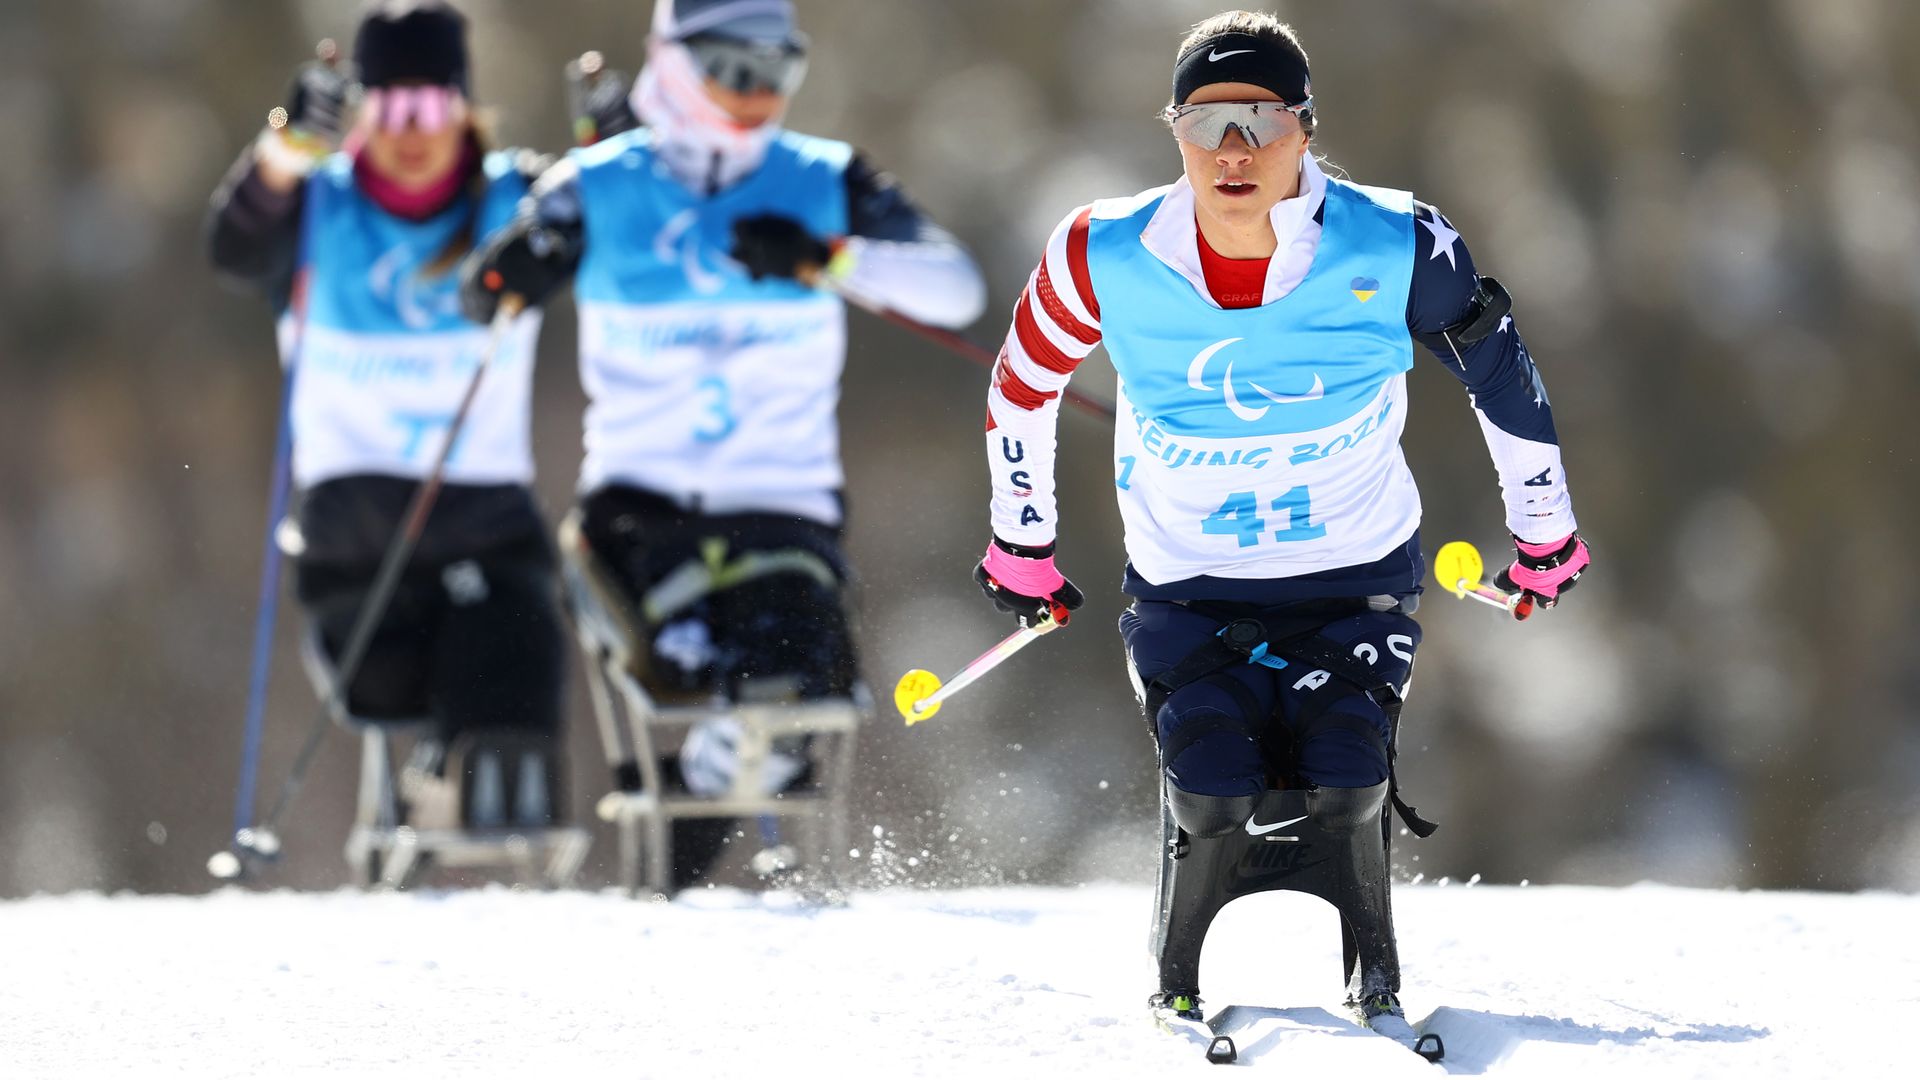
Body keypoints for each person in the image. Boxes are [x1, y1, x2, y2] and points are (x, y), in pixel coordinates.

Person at [971, 10, 1590, 1033]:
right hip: (1186, 590)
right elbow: (1022, 384)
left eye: (1260, 119)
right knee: (1212, 782)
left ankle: (1371, 959)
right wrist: (1020, 544)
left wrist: (1546, 534)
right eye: (1207, 122)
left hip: (1355, 584)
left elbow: (1501, 371)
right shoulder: (1102, 251)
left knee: (1347, 769)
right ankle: (1177, 959)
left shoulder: (1396, 240)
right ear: (1173, 131)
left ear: (1306, 126)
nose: (1234, 150)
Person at [461, 0, 986, 885]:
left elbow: (956, 289)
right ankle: (678, 846)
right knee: (683, 665)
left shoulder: (823, 178)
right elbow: (485, 293)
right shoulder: (598, 181)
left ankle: (688, 834)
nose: (755, 95)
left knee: (796, 684)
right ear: (669, 61)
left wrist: (833, 258)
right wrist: (517, 268)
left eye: (777, 72)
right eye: (731, 69)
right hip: (638, 509)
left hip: (781, 509)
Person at [207, 0, 569, 833]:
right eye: (392, 106)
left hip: (483, 509)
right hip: (355, 518)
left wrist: (618, 147)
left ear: (464, 107)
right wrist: (281, 153)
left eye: (433, 105)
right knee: (380, 687)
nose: (413, 130)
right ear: (362, 110)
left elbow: (616, 216)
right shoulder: (314, 201)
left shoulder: (519, 195)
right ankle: (429, 778)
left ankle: (489, 820)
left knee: (515, 667)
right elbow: (233, 246)